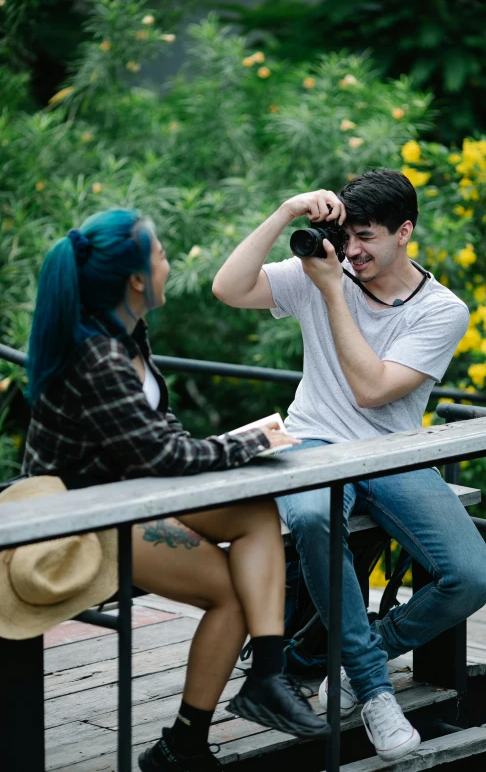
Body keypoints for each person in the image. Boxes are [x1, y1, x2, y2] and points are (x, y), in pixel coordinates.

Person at [22, 209, 331, 772]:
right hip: (84, 518)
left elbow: (156, 441)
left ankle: (265, 675)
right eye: (161, 254)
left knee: (256, 510)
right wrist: (252, 443)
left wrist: (234, 445)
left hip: (135, 494)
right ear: (137, 278)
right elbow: (164, 457)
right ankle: (184, 745)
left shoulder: (128, 333)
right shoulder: (97, 356)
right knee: (233, 594)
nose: (167, 261)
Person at [212, 169, 486, 763]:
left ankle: (329, 659)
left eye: (366, 237)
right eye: (347, 238)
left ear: (405, 232)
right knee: (315, 520)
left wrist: (331, 293)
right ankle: (373, 690)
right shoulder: (326, 267)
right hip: (312, 442)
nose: (353, 252)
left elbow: (372, 390)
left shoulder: (442, 311)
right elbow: (228, 288)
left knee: (472, 576)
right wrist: (285, 210)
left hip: (393, 451)